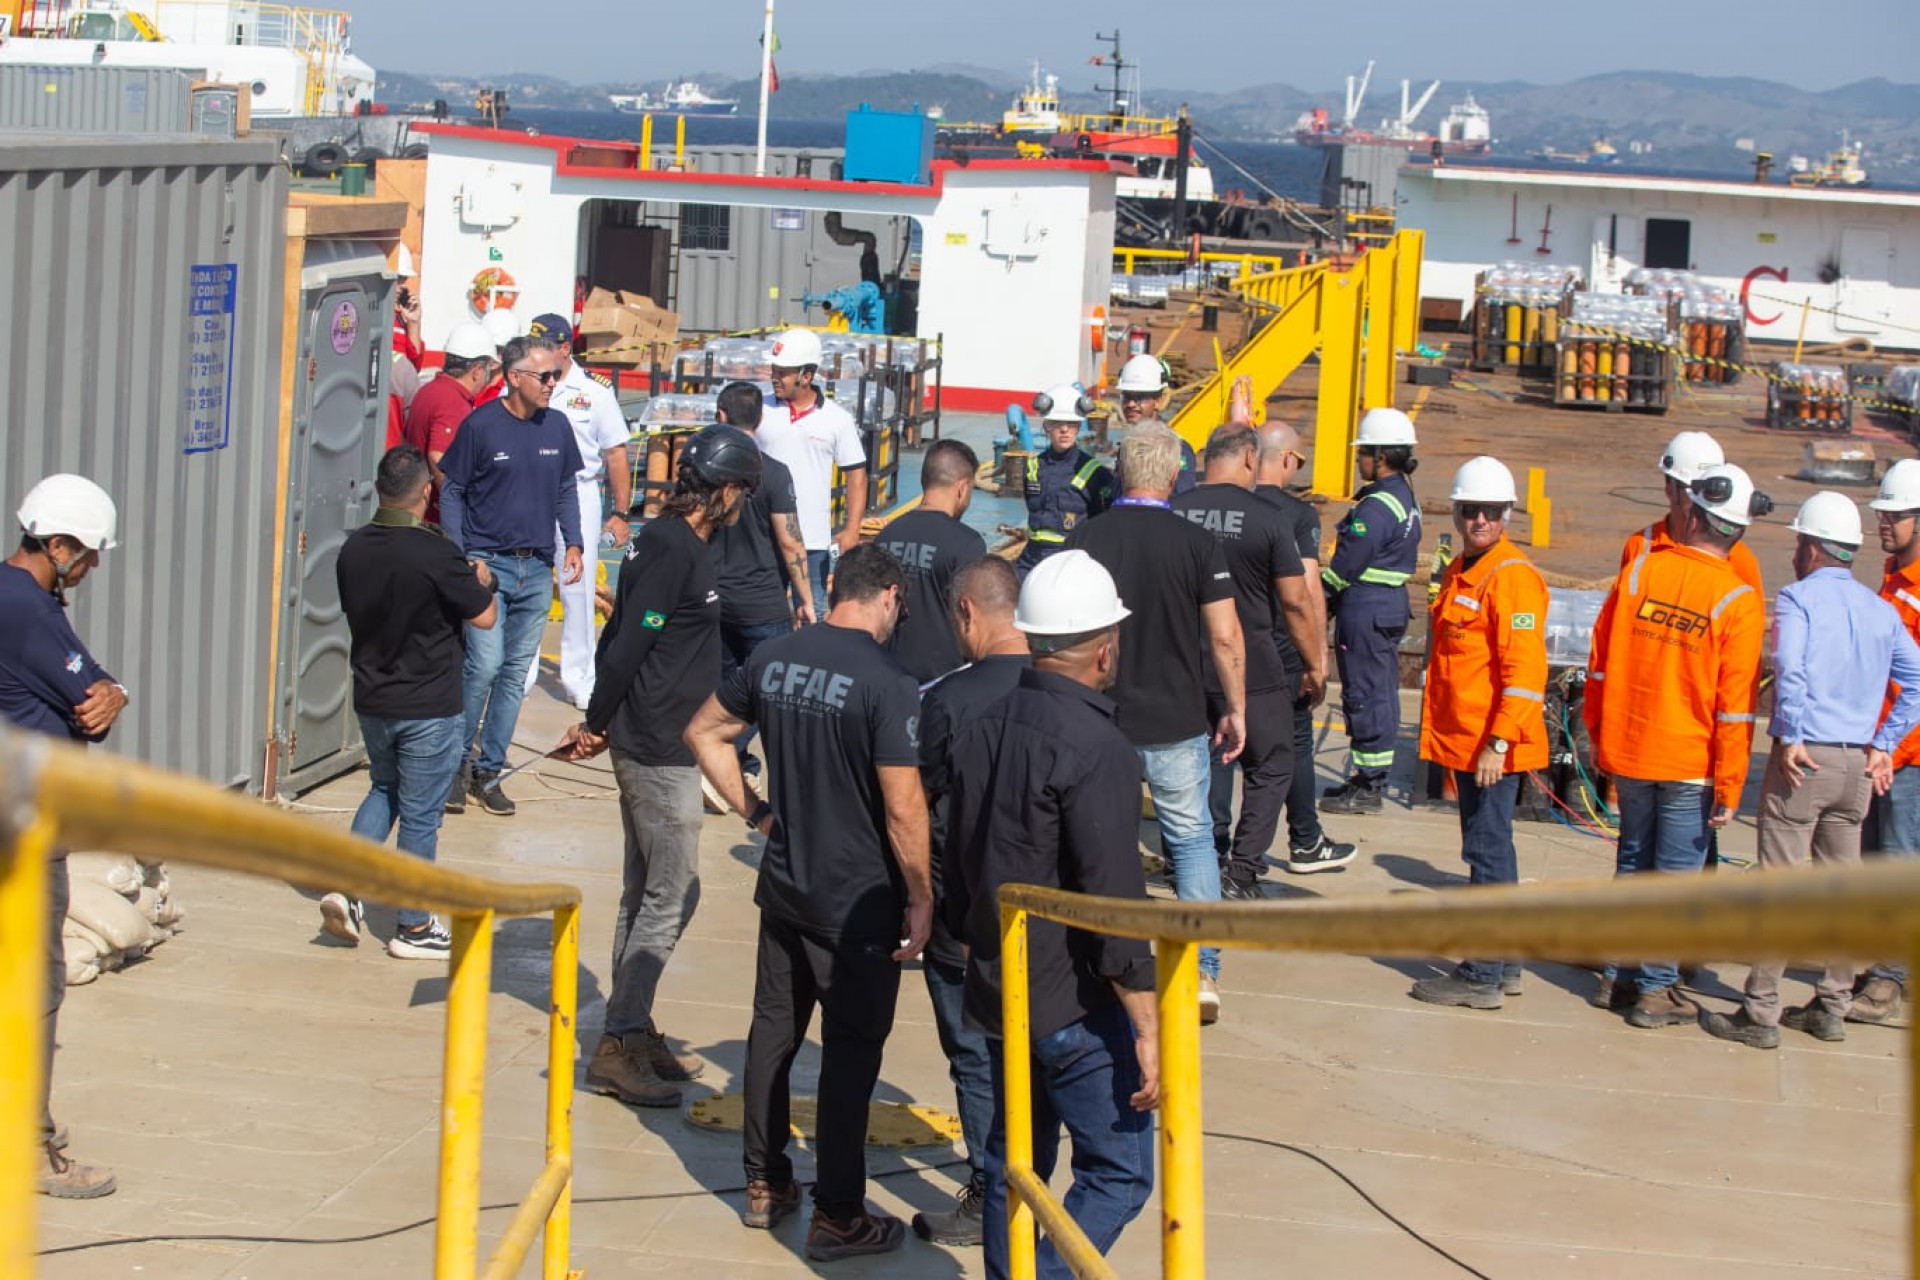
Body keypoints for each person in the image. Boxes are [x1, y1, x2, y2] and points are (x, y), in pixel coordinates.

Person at [684, 543, 933, 1262]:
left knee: (772, 1032)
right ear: (887, 594)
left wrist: (758, 815)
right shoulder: (890, 681)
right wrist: (921, 895)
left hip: (786, 885)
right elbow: (904, 806)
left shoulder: (775, 658)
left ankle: (763, 1184)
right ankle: (840, 1213)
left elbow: (704, 732)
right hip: (858, 901)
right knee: (851, 1056)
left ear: (836, 588)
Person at [942, 549, 1159, 1280]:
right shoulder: (1099, 746)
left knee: (1015, 1162)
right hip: (1073, 1003)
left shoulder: (981, 724)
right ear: (1106, 646)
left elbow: (961, 857)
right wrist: (1148, 1021)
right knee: (1120, 1172)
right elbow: (1113, 898)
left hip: (1002, 988)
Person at [555, 426, 762, 1104]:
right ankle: (617, 1041)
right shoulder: (675, 549)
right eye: (741, 494)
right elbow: (627, 644)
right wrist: (596, 721)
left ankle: (633, 1026)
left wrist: (603, 718)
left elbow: (627, 630)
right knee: (675, 892)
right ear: (726, 490)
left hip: (659, 736)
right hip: (658, 746)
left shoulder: (673, 541)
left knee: (646, 891)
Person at [1702, 493, 1920, 1050]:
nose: (1795, 555)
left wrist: (1792, 735)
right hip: (1856, 767)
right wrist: (1883, 746)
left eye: (1798, 544)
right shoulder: (1881, 609)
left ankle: (1760, 1012)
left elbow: (1789, 669)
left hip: (1807, 761)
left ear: (1811, 548)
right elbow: (1915, 681)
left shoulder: (1798, 600)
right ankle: (1831, 1005)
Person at [1067, 426, 1245, 1023]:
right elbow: (1224, 635)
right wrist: (1236, 707)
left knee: (1100, 840)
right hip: (1175, 718)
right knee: (1191, 841)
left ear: (1118, 472)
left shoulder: (1085, 538)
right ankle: (1201, 973)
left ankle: (1105, 961)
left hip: (1099, 718)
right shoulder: (1197, 544)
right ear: (1174, 477)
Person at [1585, 463, 1766, 1029]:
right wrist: (1732, 784)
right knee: (1674, 875)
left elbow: (1598, 664)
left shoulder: (1641, 571)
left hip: (1633, 749)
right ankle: (1657, 988)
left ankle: (1618, 973)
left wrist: (1598, 734)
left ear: (1693, 514)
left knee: (1634, 861)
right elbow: (1735, 709)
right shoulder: (1737, 599)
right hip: (1690, 763)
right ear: (1737, 531)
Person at [1, 473, 125, 1198]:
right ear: (56, 546)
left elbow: (95, 682)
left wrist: (118, 690)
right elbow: (89, 700)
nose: (93, 567)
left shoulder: (23, 601)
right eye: (88, 555)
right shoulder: (24, 609)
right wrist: (110, 694)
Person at [328, 446, 498, 959]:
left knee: (385, 789)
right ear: (426, 492)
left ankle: (348, 888)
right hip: (427, 704)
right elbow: (484, 617)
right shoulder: (435, 551)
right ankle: (415, 926)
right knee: (422, 817)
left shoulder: (353, 548)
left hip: (374, 697)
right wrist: (479, 582)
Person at [910, 556, 1029, 1246]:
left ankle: (992, 1191)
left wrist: (916, 893)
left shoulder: (948, 701)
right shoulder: (1057, 687)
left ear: (967, 614)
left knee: (974, 1053)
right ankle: (1030, 1176)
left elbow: (916, 804)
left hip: (964, 912)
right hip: (1045, 913)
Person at [1406, 457, 1550, 1010]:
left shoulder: (1510, 578)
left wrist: (1498, 743)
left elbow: (1525, 672)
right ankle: (1504, 961)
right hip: (1465, 741)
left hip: (1489, 746)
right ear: (1460, 513)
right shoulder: (1464, 569)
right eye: (1472, 511)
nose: (1481, 520)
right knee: (1491, 850)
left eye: (1491, 512)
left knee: (1488, 854)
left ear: (1507, 515)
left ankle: (1484, 972)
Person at [439, 335, 585, 817]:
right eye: (544, 377)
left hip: (537, 568)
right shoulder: (481, 426)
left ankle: (489, 771)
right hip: (488, 566)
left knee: (512, 675)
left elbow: (567, 489)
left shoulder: (558, 427)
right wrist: (463, 557)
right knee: (482, 666)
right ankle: (454, 767)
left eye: (555, 376)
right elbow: (453, 491)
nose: (552, 384)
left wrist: (576, 542)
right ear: (514, 377)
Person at [1173, 424, 1320, 898]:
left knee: (1200, 762)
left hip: (1185, 665)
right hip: (1253, 664)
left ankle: (1196, 858)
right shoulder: (1269, 517)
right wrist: (1315, 663)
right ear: (1251, 460)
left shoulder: (1174, 512)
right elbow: (1296, 602)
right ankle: (1242, 871)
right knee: (1272, 764)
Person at [1252, 422, 1353, 873]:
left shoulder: (1232, 506)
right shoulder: (1298, 516)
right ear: (1289, 460)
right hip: (1283, 650)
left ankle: (1209, 844)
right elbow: (1309, 591)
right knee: (1293, 745)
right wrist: (1319, 658)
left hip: (1230, 647)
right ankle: (1306, 841)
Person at [524, 314, 633, 710]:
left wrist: (620, 511)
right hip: (533, 490)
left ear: (565, 348)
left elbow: (616, 454)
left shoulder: (594, 393)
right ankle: (522, 671)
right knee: (529, 579)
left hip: (580, 491)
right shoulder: (526, 382)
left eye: (546, 345)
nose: (537, 352)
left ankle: (579, 678)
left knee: (577, 588)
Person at [711, 380, 814, 789]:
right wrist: (806, 599)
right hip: (763, 604)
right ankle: (729, 752)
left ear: (721, 417)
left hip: (714, 598)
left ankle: (725, 758)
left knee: (720, 687)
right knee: (768, 690)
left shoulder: (709, 466)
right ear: (761, 419)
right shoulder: (772, 472)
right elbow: (789, 540)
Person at [1321, 407, 1423, 814]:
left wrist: (1318, 600)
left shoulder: (1378, 506)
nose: (1359, 459)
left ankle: (1368, 785)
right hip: (1387, 605)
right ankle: (1370, 778)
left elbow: (1347, 563)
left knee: (1364, 692)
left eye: (1363, 453)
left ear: (1380, 456)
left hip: (1367, 605)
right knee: (1380, 691)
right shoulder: (1402, 495)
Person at [1857, 458, 1920, 1026]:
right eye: (1882, 513)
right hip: (1884, 750)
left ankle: (1889, 977)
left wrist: (1892, 754)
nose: (1884, 523)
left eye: (1895, 515)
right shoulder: (1894, 579)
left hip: (1908, 759)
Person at [755, 327, 867, 612]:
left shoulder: (837, 420)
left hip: (812, 541)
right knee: (763, 613)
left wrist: (852, 529)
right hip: (763, 535)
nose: (774, 377)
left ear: (806, 376)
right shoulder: (759, 410)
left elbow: (856, 475)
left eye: (783, 372)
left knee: (812, 612)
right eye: (774, 369)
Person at [878, 439, 987, 681]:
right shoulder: (967, 543)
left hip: (889, 673)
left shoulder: (886, 535)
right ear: (962, 487)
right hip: (944, 680)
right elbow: (974, 616)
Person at [402, 321, 498, 520]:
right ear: (478, 370)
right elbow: (438, 458)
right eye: (488, 368)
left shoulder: (430, 390)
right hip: (434, 519)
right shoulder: (452, 401)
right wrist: (458, 509)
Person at [1017, 384, 1115, 577]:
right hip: (1031, 561)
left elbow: (1104, 522)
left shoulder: (1096, 474)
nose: (1064, 429)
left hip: (1071, 563)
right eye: (1057, 423)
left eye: (1071, 424)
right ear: (1046, 426)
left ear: (1079, 427)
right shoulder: (1032, 468)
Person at [1114, 352, 1197, 495]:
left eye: (1139, 397)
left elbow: (1184, 499)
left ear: (1158, 401)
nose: (1131, 404)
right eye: (1126, 396)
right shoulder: (1126, 445)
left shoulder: (1178, 449)